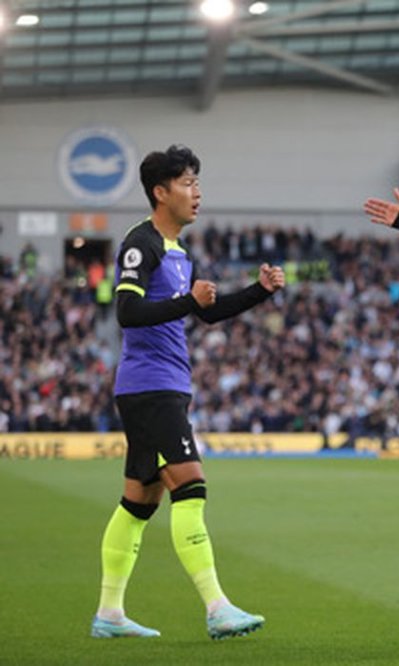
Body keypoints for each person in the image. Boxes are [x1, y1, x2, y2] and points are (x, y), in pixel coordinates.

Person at [91, 145, 284, 640]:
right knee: (191, 485)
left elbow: (207, 311)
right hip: (149, 385)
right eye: (187, 183)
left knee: (137, 504)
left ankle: (109, 614)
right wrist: (185, 300)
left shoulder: (179, 252)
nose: (197, 192)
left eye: (198, 182)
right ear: (161, 191)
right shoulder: (143, 244)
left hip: (167, 386)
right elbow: (127, 313)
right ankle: (217, 607)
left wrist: (259, 291)